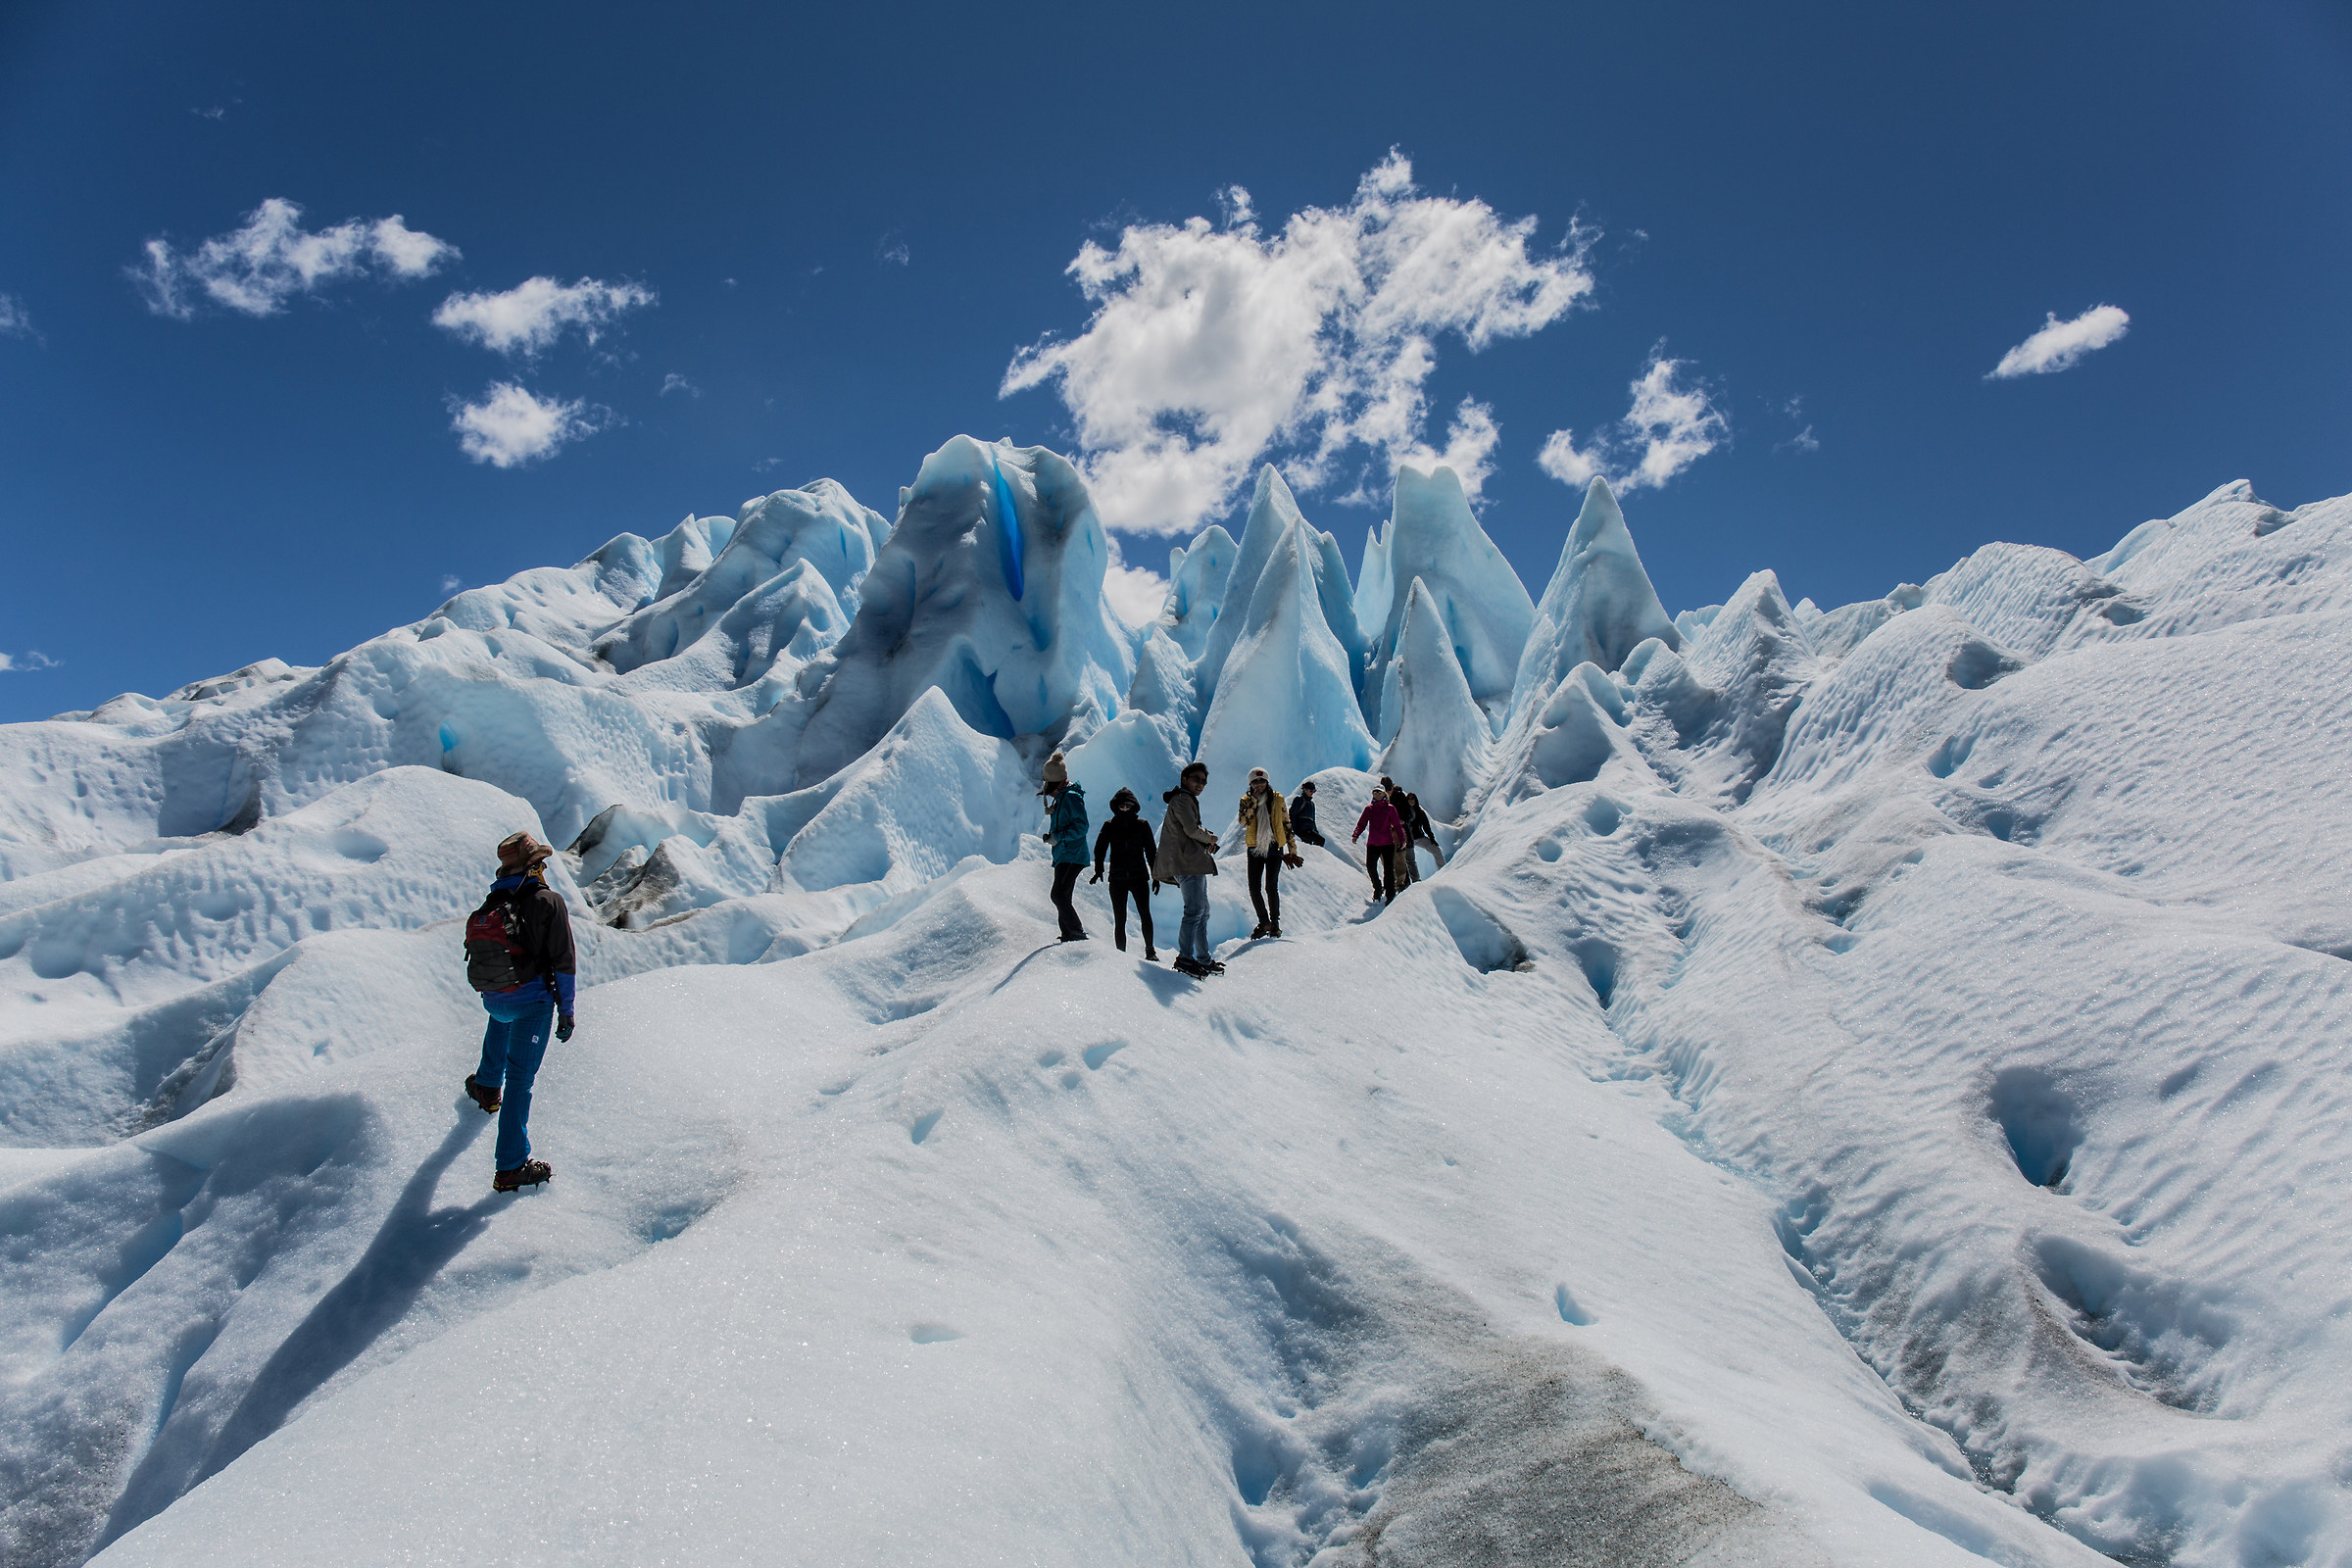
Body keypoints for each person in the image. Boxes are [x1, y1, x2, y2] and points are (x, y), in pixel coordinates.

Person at [462, 831, 577, 1193]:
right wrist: (567, 1010)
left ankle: (485, 1087)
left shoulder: (493, 901)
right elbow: (564, 962)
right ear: (533, 866)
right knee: (521, 1081)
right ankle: (511, 1167)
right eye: (540, 863)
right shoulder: (548, 901)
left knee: (501, 1016)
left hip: (494, 998)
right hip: (531, 1005)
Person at [1155, 760, 1222, 976]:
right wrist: (1209, 837)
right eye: (1196, 779)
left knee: (1202, 913)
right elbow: (1191, 829)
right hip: (1185, 863)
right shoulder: (1183, 799)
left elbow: (1190, 830)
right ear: (1184, 779)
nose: (1201, 784)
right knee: (1194, 912)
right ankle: (1185, 959)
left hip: (1192, 862)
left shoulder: (1186, 799)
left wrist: (1206, 839)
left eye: (1204, 781)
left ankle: (1203, 959)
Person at [1091, 786, 1158, 960]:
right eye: (1122, 806)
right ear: (1116, 807)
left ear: (1134, 806)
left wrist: (1156, 874)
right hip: (1118, 878)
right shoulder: (1110, 826)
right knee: (1120, 919)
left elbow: (1151, 852)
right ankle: (1121, 956)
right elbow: (1100, 849)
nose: (1125, 809)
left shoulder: (1141, 825)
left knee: (1145, 914)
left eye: (1128, 806)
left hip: (1138, 877)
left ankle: (1150, 951)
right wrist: (1099, 869)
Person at [1236, 767, 1293, 940]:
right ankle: (1265, 921)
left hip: (1274, 846)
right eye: (1255, 782)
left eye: (1261, 781)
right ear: (1250, 784)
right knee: (1254, 887)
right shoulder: (1245, 800)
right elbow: (1243, 821)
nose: (1259, 784)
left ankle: (1273, 924)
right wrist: (1254, 802)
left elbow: (1286, 823)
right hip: (1255, 847)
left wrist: (1292, 850)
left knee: (1270, 887)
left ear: (1267, 782)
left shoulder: (1278, 799)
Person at [1039, 751, 1089, 942]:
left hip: (1072, 854)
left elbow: (1082, 826)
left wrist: (1058, 837)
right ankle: (1068, 934)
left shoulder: (1071, 797)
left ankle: (1076, 931)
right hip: (1064, 854)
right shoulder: (1063, 798)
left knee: (1058, 895)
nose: (1048, 791)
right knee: (1063, 896)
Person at [1352, 787, 1405, 903]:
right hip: (1373, 843)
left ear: (1384, 794)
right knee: (1371, 867)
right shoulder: (1369, 809)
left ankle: (1390, 892)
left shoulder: (1390, 808)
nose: (1376, 794)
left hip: (1387, 843)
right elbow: (1362, 824)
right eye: (1374, 792)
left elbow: (1397, 825)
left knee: (1388, 869)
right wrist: (1356, 834)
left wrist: (1402, 840)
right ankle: (1378, 888)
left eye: (1379, 792)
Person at [1288, 780, 1324, 847]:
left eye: (1314, 791)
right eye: (1311, 791)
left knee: (1308, 846)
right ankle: (1318, 855)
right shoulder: (1299, 800)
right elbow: (1292, 815)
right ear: (1305, 789)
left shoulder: (1312, 804)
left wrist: (1315, 831)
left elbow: (1313, 820)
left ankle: (1313, 856)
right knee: (1321, 840)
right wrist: (1294, 830)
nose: (1312, 793)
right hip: (1301, 830)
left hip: (1309, 830)